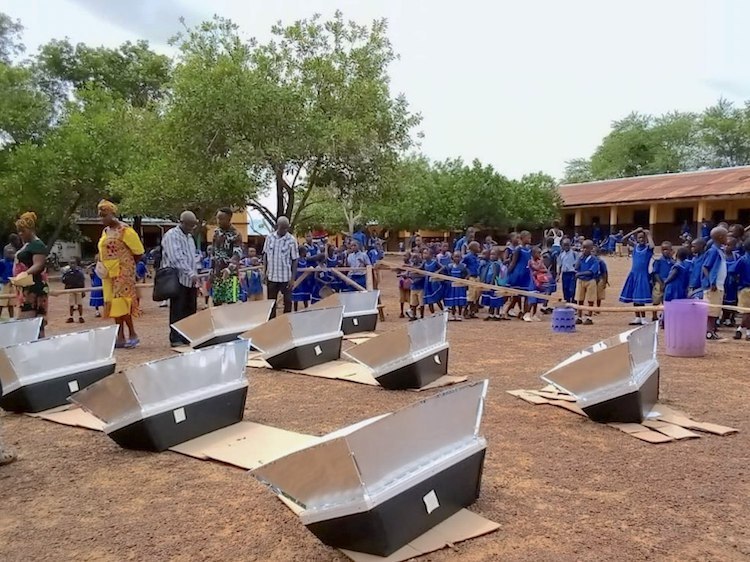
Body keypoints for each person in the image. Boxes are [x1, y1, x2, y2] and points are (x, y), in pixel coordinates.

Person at [96, 200, 145, 349]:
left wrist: (126, 265)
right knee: (113, 304)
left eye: (104, 215)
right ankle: (120, 336)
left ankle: (132, 334)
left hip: (123, 273)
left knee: (123, 303)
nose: (102, 219)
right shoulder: (105, 232)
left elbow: (139, 252)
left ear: (112, 214)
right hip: (108, 274)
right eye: (100, 216)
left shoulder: (125, 230)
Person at [162, 211, 200, 346]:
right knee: (178, 309)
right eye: (189, 225)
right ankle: (175, 338)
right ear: (181, 222)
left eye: (193, 226)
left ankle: (187, 336)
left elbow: (192, 257)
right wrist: (190, 273)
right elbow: (176, 258)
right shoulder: (172, 236)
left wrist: (195, 273)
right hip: (178, 279)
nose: (191, 228)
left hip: (191, 280)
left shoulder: (189, 237)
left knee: (190, 309)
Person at [11, 212, 49, 336]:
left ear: (31, 230)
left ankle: (36, 348)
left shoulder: (38, 245)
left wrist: (24, 274)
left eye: (23, 231)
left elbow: (39, 264)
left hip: (34, 288)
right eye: (19, 231)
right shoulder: (27, 245)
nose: (20, 234)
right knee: (29, 324)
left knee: (30, 323)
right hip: (26, 287)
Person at [263, 216, 299, 318]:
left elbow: (295, 259)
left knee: (288, 302)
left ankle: (286, 321)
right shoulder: (269, 238)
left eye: (286, 228)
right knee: (271, 303)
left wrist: (292, 279)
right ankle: (272, 324)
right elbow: (265, 255)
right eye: (282, 228)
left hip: (285, 277)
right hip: (272, 276)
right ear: (277, 226)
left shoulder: (292, 240)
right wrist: (264, 271)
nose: (284, 230)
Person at [619, 227, 654, 325]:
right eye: (639, 238)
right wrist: (635, 230)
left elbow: (652, 245)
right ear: (636, 238)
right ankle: (637, 317)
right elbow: (623, 239)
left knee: (640, 297)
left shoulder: (647, 249)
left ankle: (643, 317)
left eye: (643, 238)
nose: (641, 239)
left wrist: (648, 234)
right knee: (635, 297)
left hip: (642, 275)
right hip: (633, 275)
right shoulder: (635, 247)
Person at [211, 208, 243, 306]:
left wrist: (229, 269)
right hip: (217, 274)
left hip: (231, 275)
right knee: (216, 303)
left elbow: (237, 254)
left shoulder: (236, 234)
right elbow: (214, 252)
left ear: (229, 219)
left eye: (221, 219)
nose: (218, 221)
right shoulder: (216, 233)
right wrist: (211, 269)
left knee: (231, 304)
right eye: (218, 218)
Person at [702, 226, 728, 340]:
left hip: (719, 284)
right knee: (711, 310)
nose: (727, 238)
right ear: (720, 237)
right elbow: (705, 267)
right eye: (726, 236)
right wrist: (711, 282)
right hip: (714, 286)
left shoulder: (720, 250)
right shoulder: (713, 251)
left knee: (716, 310)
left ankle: (711, 330)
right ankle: (708, 331)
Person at [505, 231, 532, 320]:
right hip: (519, 274)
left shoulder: (529, 249)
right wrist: (508, 274)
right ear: (522, 238)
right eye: (527, 237)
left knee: (527, 294)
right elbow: (513, 262)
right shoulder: (518, 249)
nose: (529, 239)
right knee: (517, 296)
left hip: (527, 274)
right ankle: (508, 310)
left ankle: (525, 313)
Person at [575, 240, 600, 325]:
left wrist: (579, 274)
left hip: (590, 280)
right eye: (583, 247)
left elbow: (591, 271)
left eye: (586, 248)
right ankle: (579, 317)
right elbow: (576, 267)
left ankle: (589, 317)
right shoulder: (581, 258)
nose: (584, 250)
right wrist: (579, 258)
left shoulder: (594, 260)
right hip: (581, 280)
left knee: (590, 299)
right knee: (580, 299)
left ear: (591, 249)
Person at [650, 242, 674, 322]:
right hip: (659, 283)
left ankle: (665, 316)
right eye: (663, 250)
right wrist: (661, 283)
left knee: (666, 301)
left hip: (669, 283)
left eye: (667, 249)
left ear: (671, 250)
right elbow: (655, 273)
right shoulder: (658, 261)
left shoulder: (673, 262)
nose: (665, 251)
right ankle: (654, 316)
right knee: (656, 300)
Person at [526, 246, 551, 322]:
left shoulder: (539, 261)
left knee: (536, 299)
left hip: (539, 282)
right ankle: (527, 314)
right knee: (531, 299)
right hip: (532, 282)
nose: (540, 254)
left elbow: (545, 270)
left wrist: (539, 269)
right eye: (538, 253)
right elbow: (536, 268)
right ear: (533, 253)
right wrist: (540, 264)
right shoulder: (530, 261)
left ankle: (534, 314)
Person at [444, 252, 469, 321]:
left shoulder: (463, 266)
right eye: (455, 257)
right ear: (452, 257)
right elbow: (446, 274)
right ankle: (453, 314)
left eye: (458, 257)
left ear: (461, 258)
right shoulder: (449, 266)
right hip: (452, 286)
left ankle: (459, 315)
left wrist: (464, 281)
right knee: (453, 302)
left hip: (460, 286)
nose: (456, 258)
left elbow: (467, 274)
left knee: (460, 301)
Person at [734, 238, 750, 340]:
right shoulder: (743, 259)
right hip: (745, 288)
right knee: (747, 312)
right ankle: (744, 331)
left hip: (743, 288)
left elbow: (733, 271)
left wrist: (738, 282)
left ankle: (742, 330)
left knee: (747, 312)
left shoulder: (742, 259)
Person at [61, 257, 86, 324]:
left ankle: (81, 317)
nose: (72, 264)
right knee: (71, 304)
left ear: (76, 263)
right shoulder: (67, 272)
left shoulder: (79, 272)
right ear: (69, 264)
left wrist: (83, 290)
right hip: (71, 290)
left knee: (79, 304)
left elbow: (82, 280)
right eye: (71, 263)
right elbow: (63, 280)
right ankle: (71, 317)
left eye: (74, 263)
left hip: (78, 289)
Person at [721, 238, 739, 327]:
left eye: (729, 245)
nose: (726, 247)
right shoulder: (721, 256)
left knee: (733, 301)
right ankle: (724, 317)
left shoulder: (737, 256)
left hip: (733, 283)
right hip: (723, 282)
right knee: (722, 300)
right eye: (725, 245)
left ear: (734, 246)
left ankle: (731, 318)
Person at [461, 240, 482, 318]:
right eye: (478, 247)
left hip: (477, 277)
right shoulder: (467, 257)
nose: (479, 248)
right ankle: (466, 312)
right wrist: (467, 273)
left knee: (476, 295)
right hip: (471, 277)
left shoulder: (476, 257)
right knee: (471, 295)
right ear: (473, 248)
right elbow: (463, 265)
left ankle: (472, 312)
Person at [421, 247, 443, 315]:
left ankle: (443, 310)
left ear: (430, 255)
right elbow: (419, 268)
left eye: (426, 253)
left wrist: (437, 272)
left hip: (434, 282)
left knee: (436, 298)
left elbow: (442, 267)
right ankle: (433, 313)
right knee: (429, 299)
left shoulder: (434, 262)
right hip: (427, 283)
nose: (424, 255)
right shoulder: (424, 263)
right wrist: (409, 267)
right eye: (423, 253)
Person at [557, 238, 578, 303]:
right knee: (565, 288)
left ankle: (573, 302)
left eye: (567, 245)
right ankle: (567, 302)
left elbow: (577, 264)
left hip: (572, 273)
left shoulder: (574, 254)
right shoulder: (561, 255)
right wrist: (558, 275)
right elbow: (560, 265)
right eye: (564, 245)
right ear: (562, 245)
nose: (566, 246)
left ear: (570, 245)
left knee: (571, 289)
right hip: (564, 274)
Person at [292, 246, 313, 311]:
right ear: (302, 252)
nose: (306, 252)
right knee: (296, 297)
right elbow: (294, 269)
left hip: (305, 280)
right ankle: (295, 310)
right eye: (305, 251)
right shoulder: (297, 260)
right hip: (298, 279)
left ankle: (306, 309)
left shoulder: (305, 260)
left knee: (305, 296)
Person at [396, 253, 412, 318]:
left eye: (406, 256)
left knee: (410, 299)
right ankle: (402, 312)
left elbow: (410, 274)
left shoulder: (411, 265)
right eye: (404, 256)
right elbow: (397, 273)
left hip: (408, 283)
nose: (404, 257)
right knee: (401, 298)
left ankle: (410, 311)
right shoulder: (401, 265)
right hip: (402, 283)